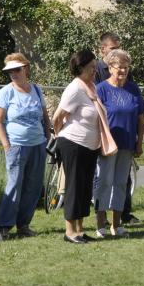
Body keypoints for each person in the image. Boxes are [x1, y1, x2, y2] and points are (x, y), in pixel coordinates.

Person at [0, 53, 51, 240]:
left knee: (33, 188)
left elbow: (45, 116)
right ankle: (3, 226)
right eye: (10, 71)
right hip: (16, 146)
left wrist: (47, 138)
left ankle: (24, 225)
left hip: (38, 145)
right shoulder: (6, 92)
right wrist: (6, 145)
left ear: (26, 69)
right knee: (14, 185)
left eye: (16, 69)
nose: (13, 73)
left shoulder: (36, 90)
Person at [94, 49, 144, 238]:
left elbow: (141, 119)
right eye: (119, 68)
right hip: (107, 145)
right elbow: (95, 118)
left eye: (125, 67)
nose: (123, 71)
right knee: (104, 182)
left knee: (121, 183)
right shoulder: (100, 89)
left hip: (127, 144)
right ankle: (101, 224)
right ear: (110, 68)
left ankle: (117, 225)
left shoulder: (133, 89)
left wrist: (139, 143)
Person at [53, 50, 103, 244]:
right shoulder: (75, 89)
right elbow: (58, 117)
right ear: (80, 68)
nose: (95, 70)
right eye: (92, 67)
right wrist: (58, 136)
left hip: (90, 147)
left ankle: (80, 230)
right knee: (74, 187)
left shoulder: (91, 87)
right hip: (73, 144)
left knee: (84, 189)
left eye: (95, 66)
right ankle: (70, 232)